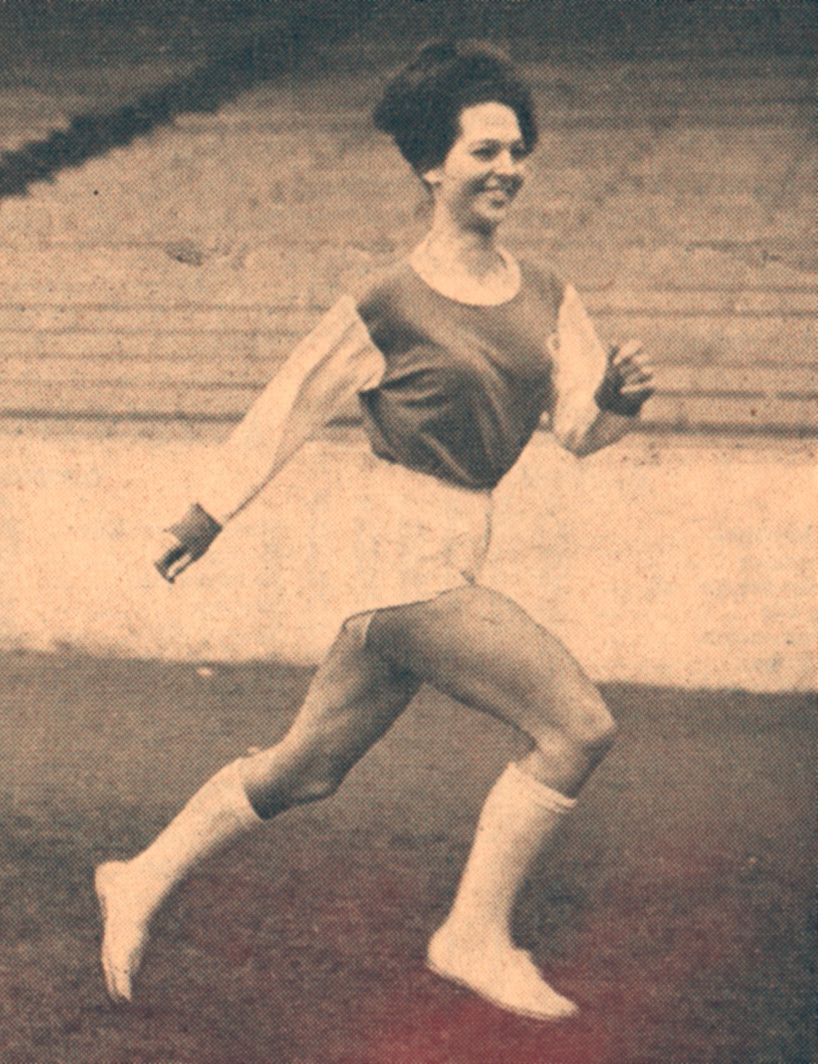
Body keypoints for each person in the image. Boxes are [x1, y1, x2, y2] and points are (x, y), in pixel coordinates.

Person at [95, 40, 656, 1022]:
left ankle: (137, 874)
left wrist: (617, 400)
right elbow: (289, 404)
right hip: (395, 553)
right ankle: (472, 934)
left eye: (517, 150)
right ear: (432, 164)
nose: (507, 168)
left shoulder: (551, 293)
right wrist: (206, 512)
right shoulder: (388, 298)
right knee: (577, 725)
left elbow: (578, 432)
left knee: (305, 766)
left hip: (455, 547)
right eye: (484, 150)